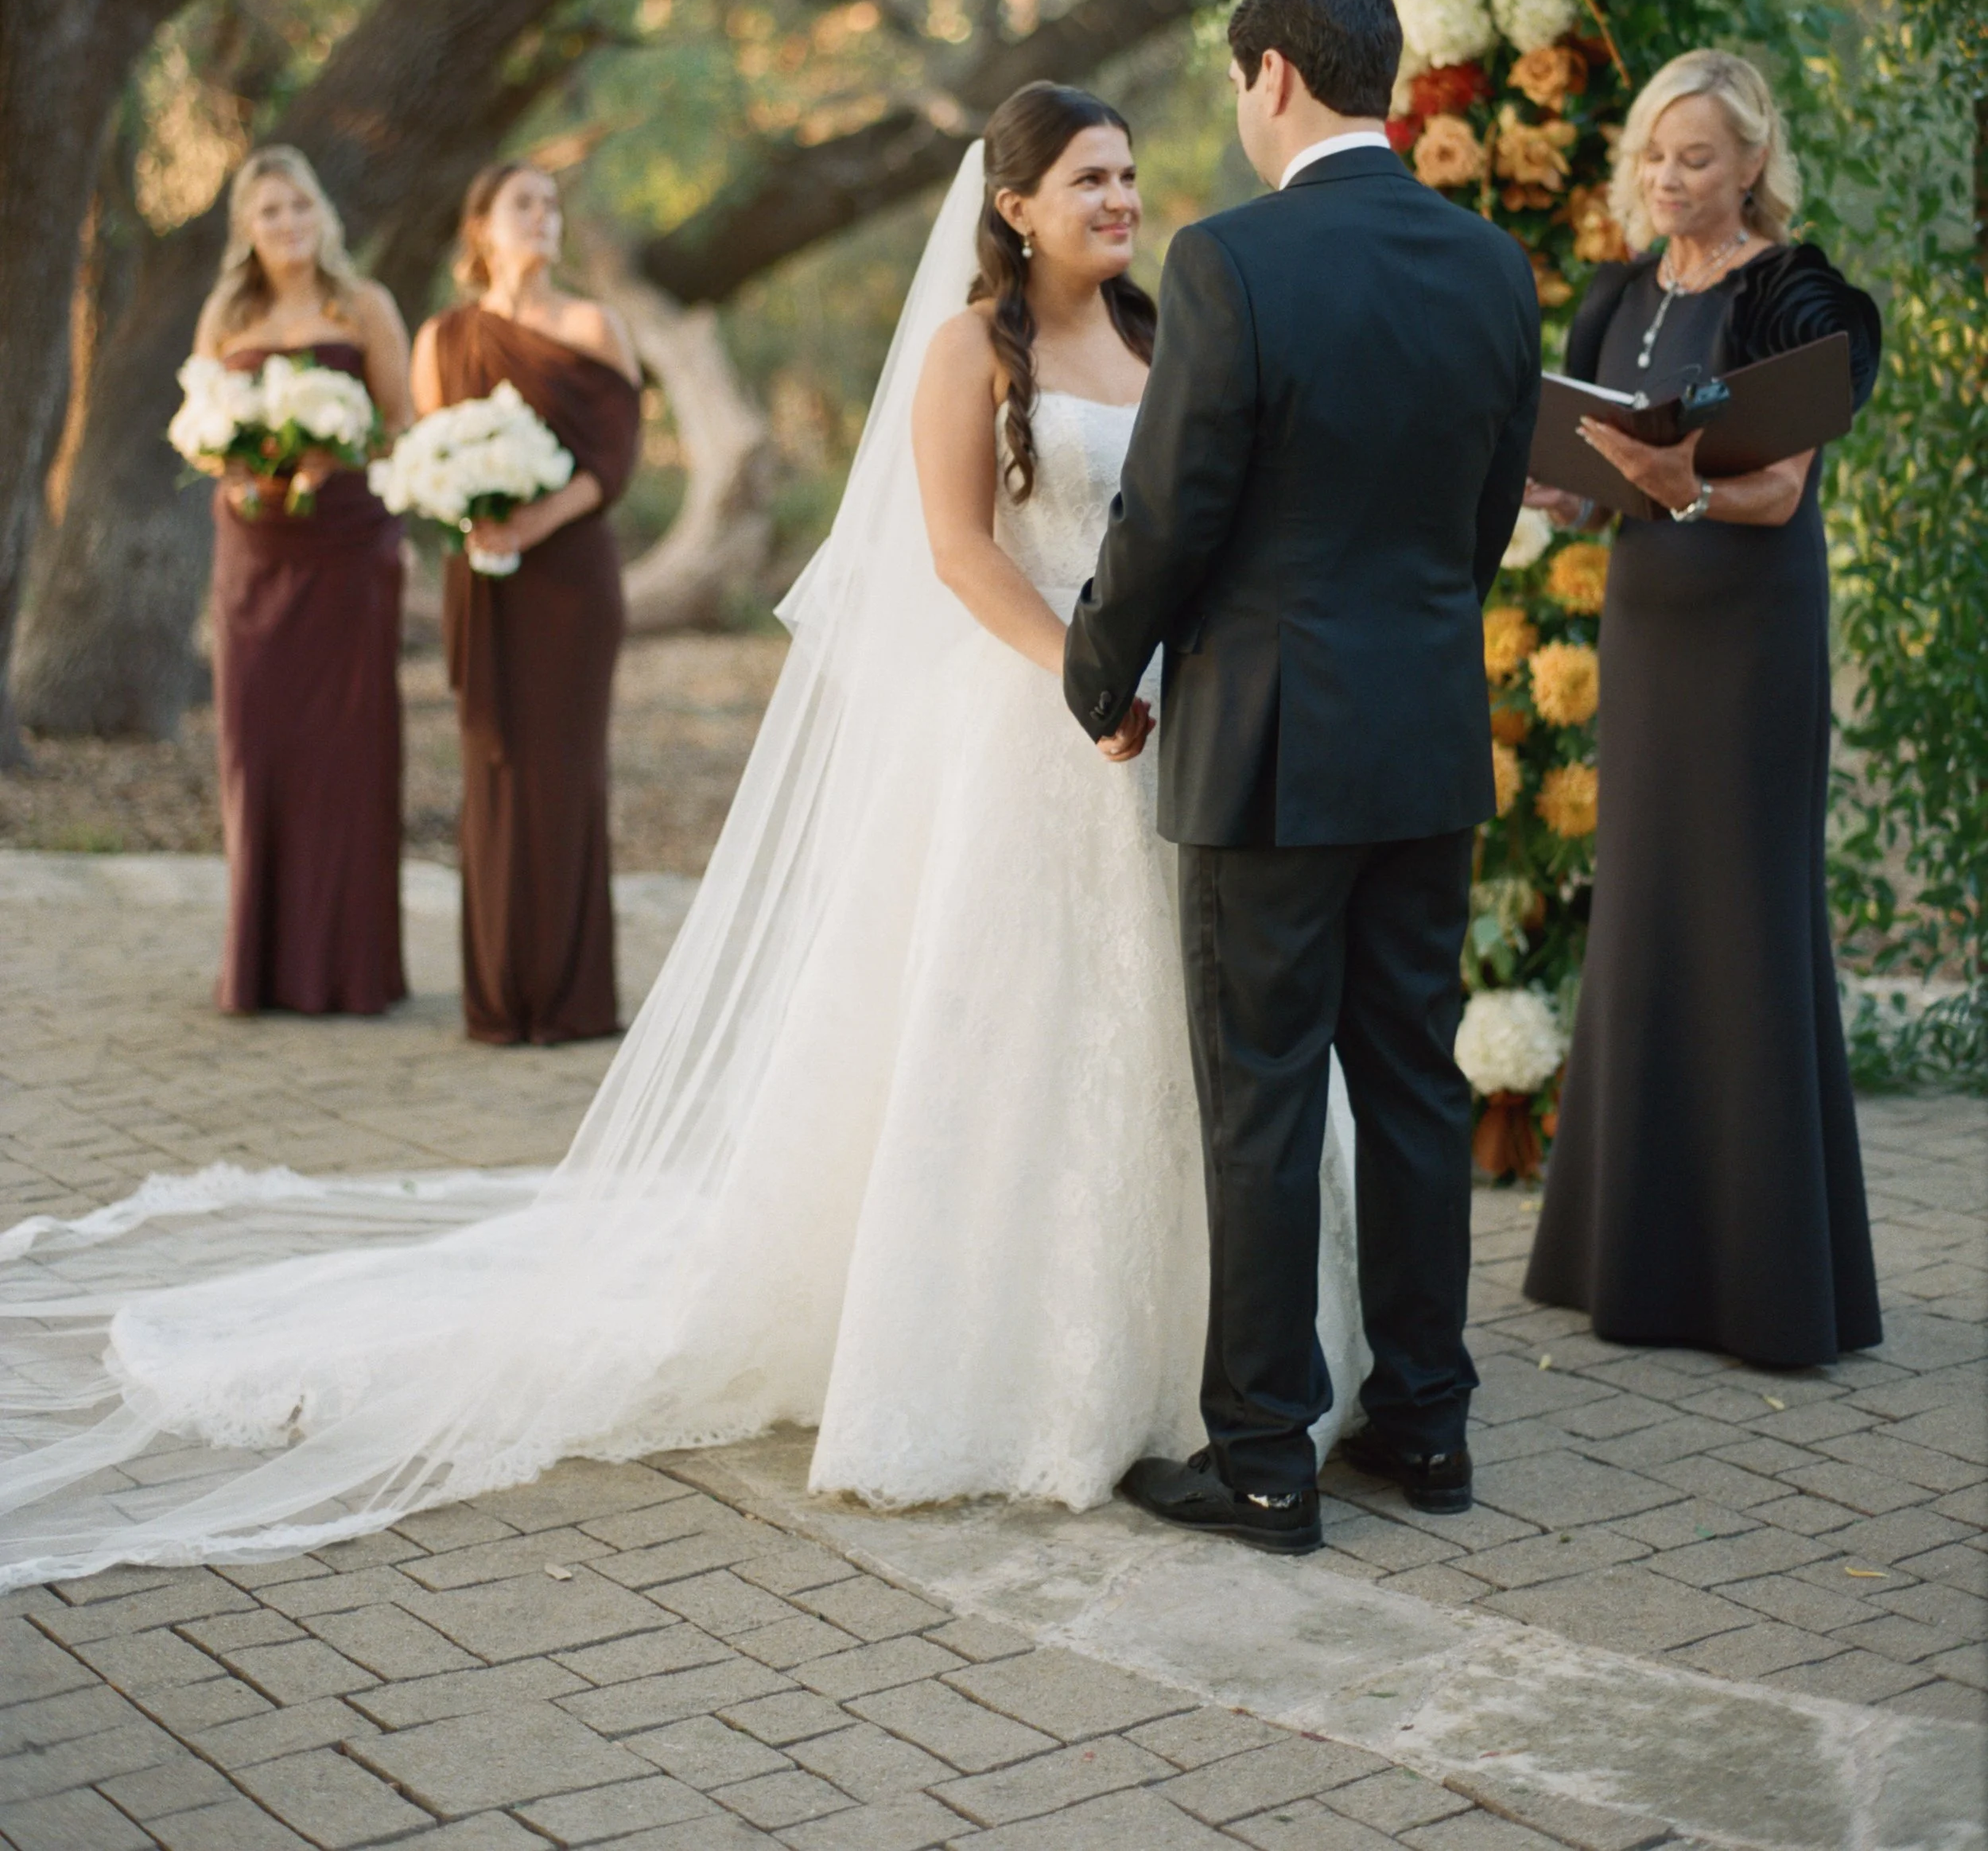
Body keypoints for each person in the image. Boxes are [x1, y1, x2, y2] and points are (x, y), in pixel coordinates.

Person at [0, 87, 1364, 1589]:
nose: (1122, 197)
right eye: (1090, 178)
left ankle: (1194, 1373)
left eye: (1127, 173)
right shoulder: (967, 350)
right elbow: (961, 553)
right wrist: (1084, 680)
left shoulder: (1166, 336)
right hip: (1034, 726)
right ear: (1017, 204)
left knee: (1172, 1049)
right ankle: (1006, 1365)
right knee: (1015, 1034)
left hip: (1169, 739)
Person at [1066, 0, 1543, 1541]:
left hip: (1267, 749)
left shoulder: (1231, 264)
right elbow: (1477, 525)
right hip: (1420, 735)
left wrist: (1095, 671)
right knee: (1408, 1085)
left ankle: (1263, 1453)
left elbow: (1169, 510)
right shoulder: (1489, 265)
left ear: (1269, 75)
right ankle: (1421, 1427)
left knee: (1261, 1094)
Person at [1521, 49, 1883, 1368]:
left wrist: (1669, 484)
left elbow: (1776, 488)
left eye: (1700, 157)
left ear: (1751, 163)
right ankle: (1633, 1257)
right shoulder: (1618, 291)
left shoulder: (1790, 290)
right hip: (1648, 628)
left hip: (1751, 628)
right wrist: (1556, 487)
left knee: (1742, 915)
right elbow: (1596, 467)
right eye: (1657, 155)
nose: (1672, 178)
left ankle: (1768, 1286)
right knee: (1652, 907)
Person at [411, 164, 643, 1045]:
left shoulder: (593, 325)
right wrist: (474, 522)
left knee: (564, 775)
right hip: (484, 578)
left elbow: (615, 462)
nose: (544, 219)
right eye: (524, 206)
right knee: (493, 768)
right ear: (482, 228)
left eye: (552, 206)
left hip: (571, 581)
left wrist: (536, 519)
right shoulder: (443, 338)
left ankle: (572, 999)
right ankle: (499, 995)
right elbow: (433, 458)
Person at [195, 146, 413, 1019]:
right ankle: (261, 966)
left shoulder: (363, 306)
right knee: (259, 746)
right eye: (270, 211)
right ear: (248, 229)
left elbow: (399, 421)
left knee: (348, 754)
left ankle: (352, 970)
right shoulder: (227, 311)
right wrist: (236, 471)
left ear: (322, 215)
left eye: (299, 207)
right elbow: (203, 425)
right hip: (254, 551)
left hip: (347, 548)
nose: (288, 224)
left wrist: (332, 456)